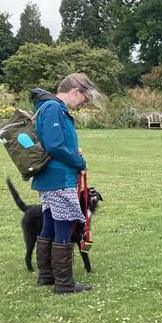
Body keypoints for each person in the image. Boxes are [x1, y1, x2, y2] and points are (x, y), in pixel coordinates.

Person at [31, 73, 101, 294]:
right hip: (59, 178)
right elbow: (55, 145)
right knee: (64, 224)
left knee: (50, 223)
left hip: (52, 177)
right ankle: (64, 283)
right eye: (84, 98)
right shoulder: (53, 108)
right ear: (75, 91)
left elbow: (57, 143)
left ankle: (47, 275)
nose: (83, 103)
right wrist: (79, 160)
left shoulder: (51, 108)